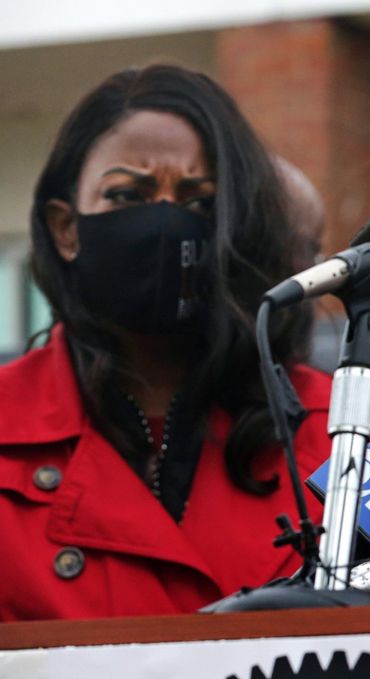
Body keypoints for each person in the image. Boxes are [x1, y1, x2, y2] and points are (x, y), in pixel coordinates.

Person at [0, 65, 332, 621]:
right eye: (128, 194)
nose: (163, 221)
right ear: (65, 228)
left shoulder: (331, 424)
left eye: (198, 202)